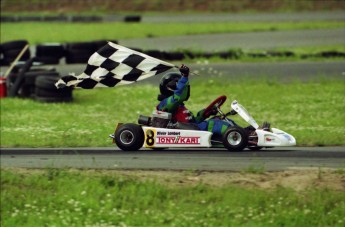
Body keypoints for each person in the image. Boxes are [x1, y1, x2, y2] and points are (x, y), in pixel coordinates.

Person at [156, 64, 238, 137]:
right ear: (171, 87)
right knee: (213, 124)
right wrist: (184, 76)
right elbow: (178, 97)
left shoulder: (178, 105)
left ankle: (243, 132)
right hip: (185, 131)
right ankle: (237, 134)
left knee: (219, 119)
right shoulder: (165, 104)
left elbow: (193, 121)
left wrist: (205, 113)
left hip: (191, 128)